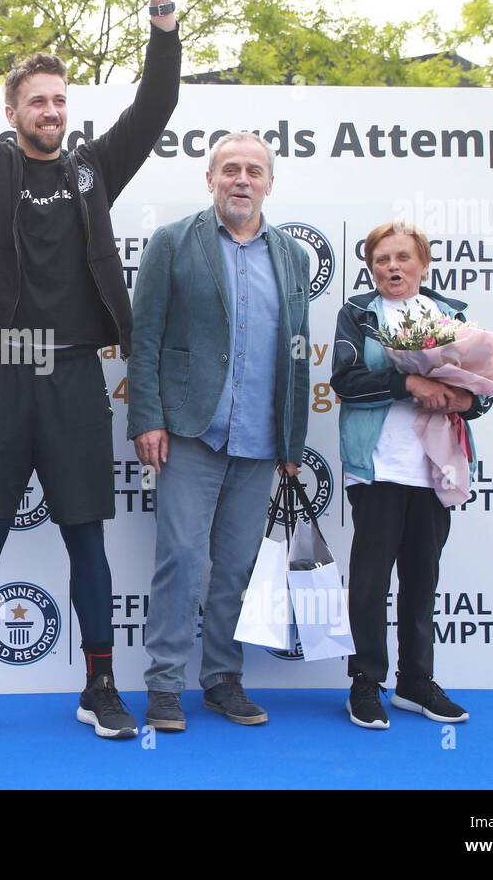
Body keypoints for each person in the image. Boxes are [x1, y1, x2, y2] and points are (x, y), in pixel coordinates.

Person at [0, 0, 181, 741]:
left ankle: (99, 683)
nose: (51, 112)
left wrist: (162, 11)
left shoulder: (94, 170)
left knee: (86, 538)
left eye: (59, 101)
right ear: (13, 112)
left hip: (74, 374)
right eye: (37, 102)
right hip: (1, 367)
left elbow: (155, 106)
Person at [128, 132, 311, 732]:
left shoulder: (291, 255)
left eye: (253, 171)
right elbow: (146, 338)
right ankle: (164, 685)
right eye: (229, 169)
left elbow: (298, 354)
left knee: (236, 565)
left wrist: (292, 440)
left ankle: (222, 679)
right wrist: (147, 417)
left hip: (261, 441)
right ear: (210, 180)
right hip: (190, 431)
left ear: (269, 183)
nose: (241, 179)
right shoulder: (173, 242)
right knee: (181, 559)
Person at [331, 220, 492, 729]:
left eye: (402, 257)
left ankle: (416, 682)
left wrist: (468, 398)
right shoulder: (358, 314)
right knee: (371, 578)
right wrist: (407, 382)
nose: (392, 267)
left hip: (435, 467)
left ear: (422, 263)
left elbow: (482, 390)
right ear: (370, 267)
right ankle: (366, 682)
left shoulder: (451, 316)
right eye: (382, 260)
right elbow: (346, 381)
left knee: (422, 576)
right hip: (378, 465)